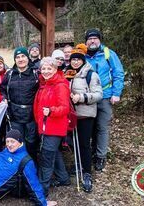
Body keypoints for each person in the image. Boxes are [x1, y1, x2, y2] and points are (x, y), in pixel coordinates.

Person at [84, 28, 125, 171]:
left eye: (95, 38)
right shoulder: (83, 55)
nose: (92, 41)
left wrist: (116, 93)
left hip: (105, 96)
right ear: (86, 42)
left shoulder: (108, 54)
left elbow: (118, 73)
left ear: (99, 40)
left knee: (102, 128)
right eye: (90, 39)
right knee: (90, 128)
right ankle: (89, 154)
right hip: (88, 98)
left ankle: (100, 156)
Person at [64, 44, 102, 192]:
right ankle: (78, 163)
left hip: (85, 114)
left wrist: (81, 97)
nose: (75, 62)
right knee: (71, 142)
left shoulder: (91, 75)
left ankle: (87, 172)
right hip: (70, 114)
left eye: (78, 60)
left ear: (83, 60)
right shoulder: (68, 73)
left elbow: (99, 95)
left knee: (85, 144)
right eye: (73, 60)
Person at [34, 57, 70, 196]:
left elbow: (65, 108)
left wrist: (51, 111)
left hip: (54, 128)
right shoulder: (45, 84)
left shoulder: (60, 85)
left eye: (50, 68)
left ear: (55, 69)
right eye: (44, 69)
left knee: (46, 157)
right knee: (54, 153)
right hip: (44, 126)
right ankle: (63, 178)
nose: (46, 71)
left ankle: (42, 189)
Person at [0, 47, 39, 164]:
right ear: (15, 60)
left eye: (23, 56)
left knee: (31, 143)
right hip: (14, 114)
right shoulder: (10, 74)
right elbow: (2, 89)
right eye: (17, 57)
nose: (20, 59)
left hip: (31, 114)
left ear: (28, 58)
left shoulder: (36, 73)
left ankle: (32, 166)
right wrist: (4, 98)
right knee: (17, 142)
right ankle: (18, 167)